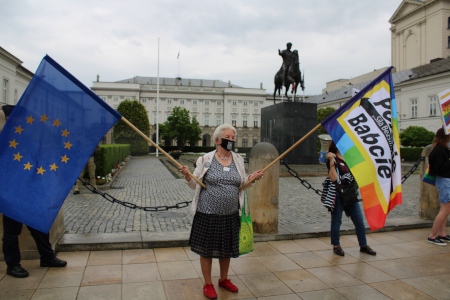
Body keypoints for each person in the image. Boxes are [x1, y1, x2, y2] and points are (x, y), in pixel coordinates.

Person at [178, 123, 263, 300]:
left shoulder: (238, 159)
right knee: (206, 249)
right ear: (217, 140)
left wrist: (252, 178)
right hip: (207, 213)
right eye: (227, 137)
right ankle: (208, 283)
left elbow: (241, 183)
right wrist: (188, 175)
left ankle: (223, 279)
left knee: (226, 249)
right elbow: (195, 184)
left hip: (230, 213)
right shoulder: (205, 160)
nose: (231, 140)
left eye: (233, 137)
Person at [1, 105, 67, 278]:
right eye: (14, 118)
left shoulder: (24, 136)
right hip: (11, 191)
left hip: (30, 189)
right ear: (9, 119)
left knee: (38, 225)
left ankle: (47, 257)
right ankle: (13, 264)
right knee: (11, 232)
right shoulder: (4, 139)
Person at [325, 141, 376, 257]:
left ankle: (363, 245)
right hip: (338, 193)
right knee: (337, 220)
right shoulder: (333, 159)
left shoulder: (350, 159)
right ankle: (336, 245)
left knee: (359, 221)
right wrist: (332, 161)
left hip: (351, 194)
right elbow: (333, 177)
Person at [427, 127, 450, 246]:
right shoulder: (438, 151)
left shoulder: (443, 149)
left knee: (445, 210)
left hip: (446, 180)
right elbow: (439, 168)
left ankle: (442, 233)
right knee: (445, 209)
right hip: (445, 181)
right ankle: (432, 235)